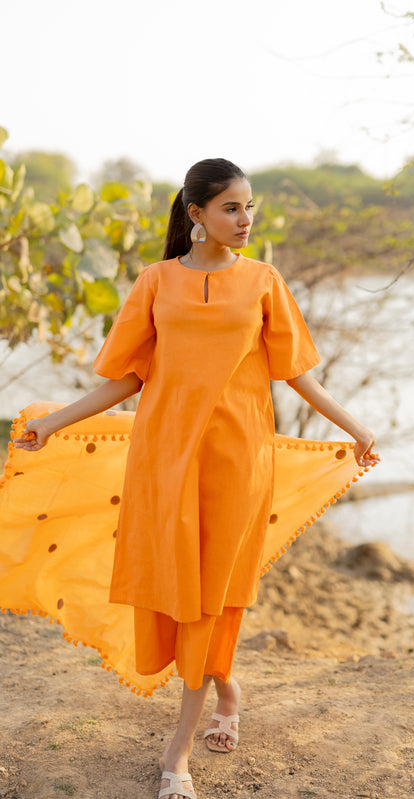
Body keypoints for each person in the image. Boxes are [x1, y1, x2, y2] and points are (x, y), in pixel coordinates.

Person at [14, 158, 379, 799]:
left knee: (214, 589)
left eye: (249, 208)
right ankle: (227, 688)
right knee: (181, 584)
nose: (245, 221)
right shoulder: (156, 282)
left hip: (239, 460)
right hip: (166, 459)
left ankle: (177, 751)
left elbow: (296, 373)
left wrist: (356, 427)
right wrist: (55, 425)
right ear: (197, 215)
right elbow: (127, 377)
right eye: (232, 209)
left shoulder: (264, 281)